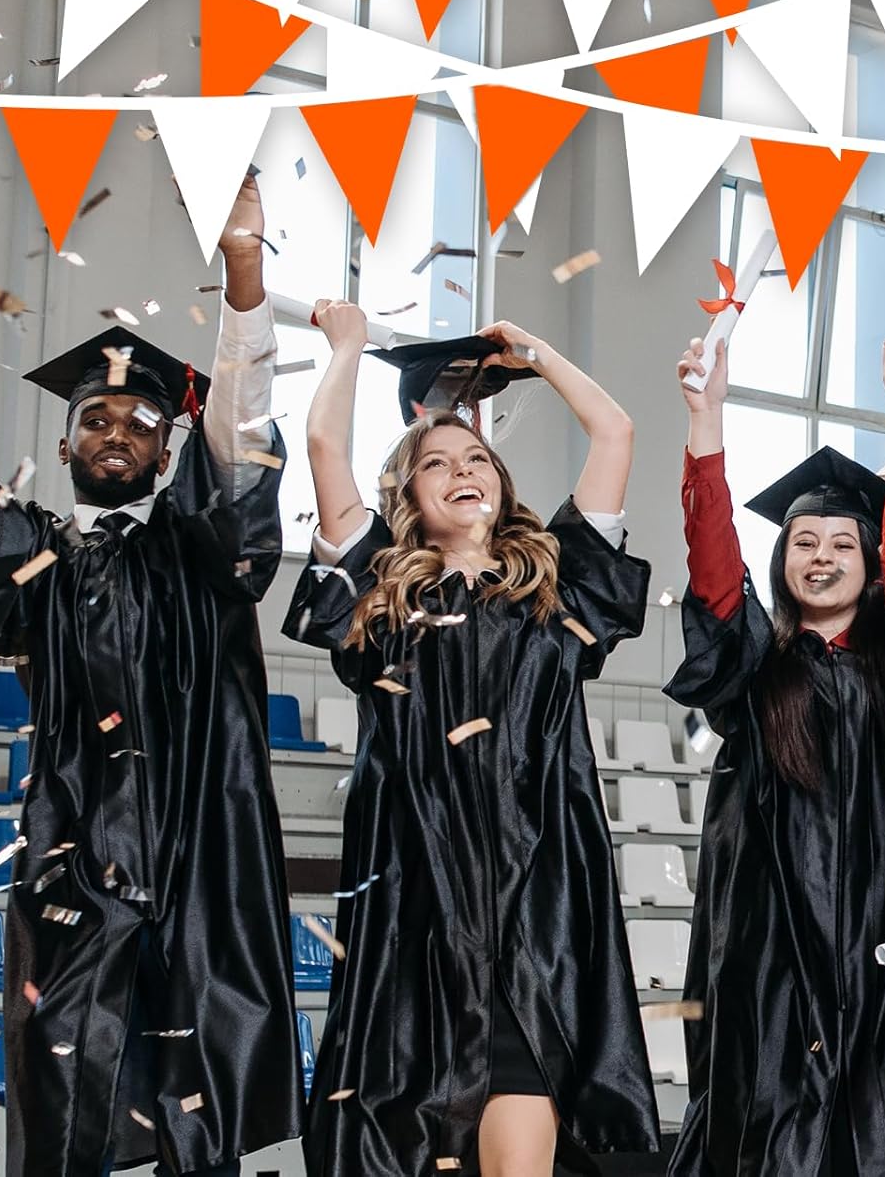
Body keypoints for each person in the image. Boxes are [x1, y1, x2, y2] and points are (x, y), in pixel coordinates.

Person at [0, 174, 302, 1177]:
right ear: (66, 440)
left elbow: (246, 416)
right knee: (66, 1114)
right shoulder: (37, 560)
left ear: (170, 443)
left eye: (141, 419)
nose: (119, 430)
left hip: (211, 858)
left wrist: (246, 271)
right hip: (75, 868)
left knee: (204, 1119)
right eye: (99, 419)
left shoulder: (199, 546)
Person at [284, 305, 659, 1177]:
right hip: (416, 909)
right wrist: (345, 349)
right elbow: (324, 451)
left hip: (539, 906)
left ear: (502, 484)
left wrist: (537, 352)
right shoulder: (381, 598)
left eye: (478, 458)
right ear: (408, 496)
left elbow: (616, 431)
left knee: (523, 1141)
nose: (462, 471)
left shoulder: (560, 591)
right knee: (404, 1134)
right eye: (437, 465)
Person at [665, 334, 885, 1177]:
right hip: (773, 951)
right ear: (783, 559)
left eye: (842, 544)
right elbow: (712, 565)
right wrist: (707, 420)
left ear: (871, 564)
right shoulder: (752, 664)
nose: (821, 557)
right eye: (804, 543)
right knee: (774, 1124)